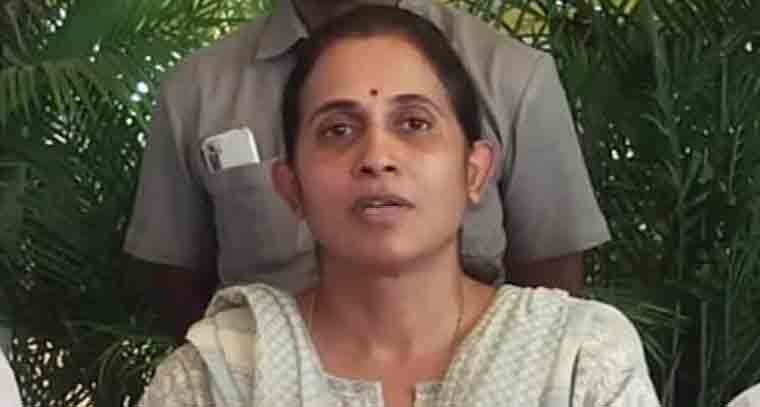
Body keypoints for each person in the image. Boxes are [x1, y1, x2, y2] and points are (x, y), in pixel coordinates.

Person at [138, 7, 657, 407]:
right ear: (290, 187)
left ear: (475, 170)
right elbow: (171, 276)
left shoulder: (580, 364)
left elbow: (552, 263)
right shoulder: (208, 380)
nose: (377, 158)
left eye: (414, 124)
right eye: (337, 131)